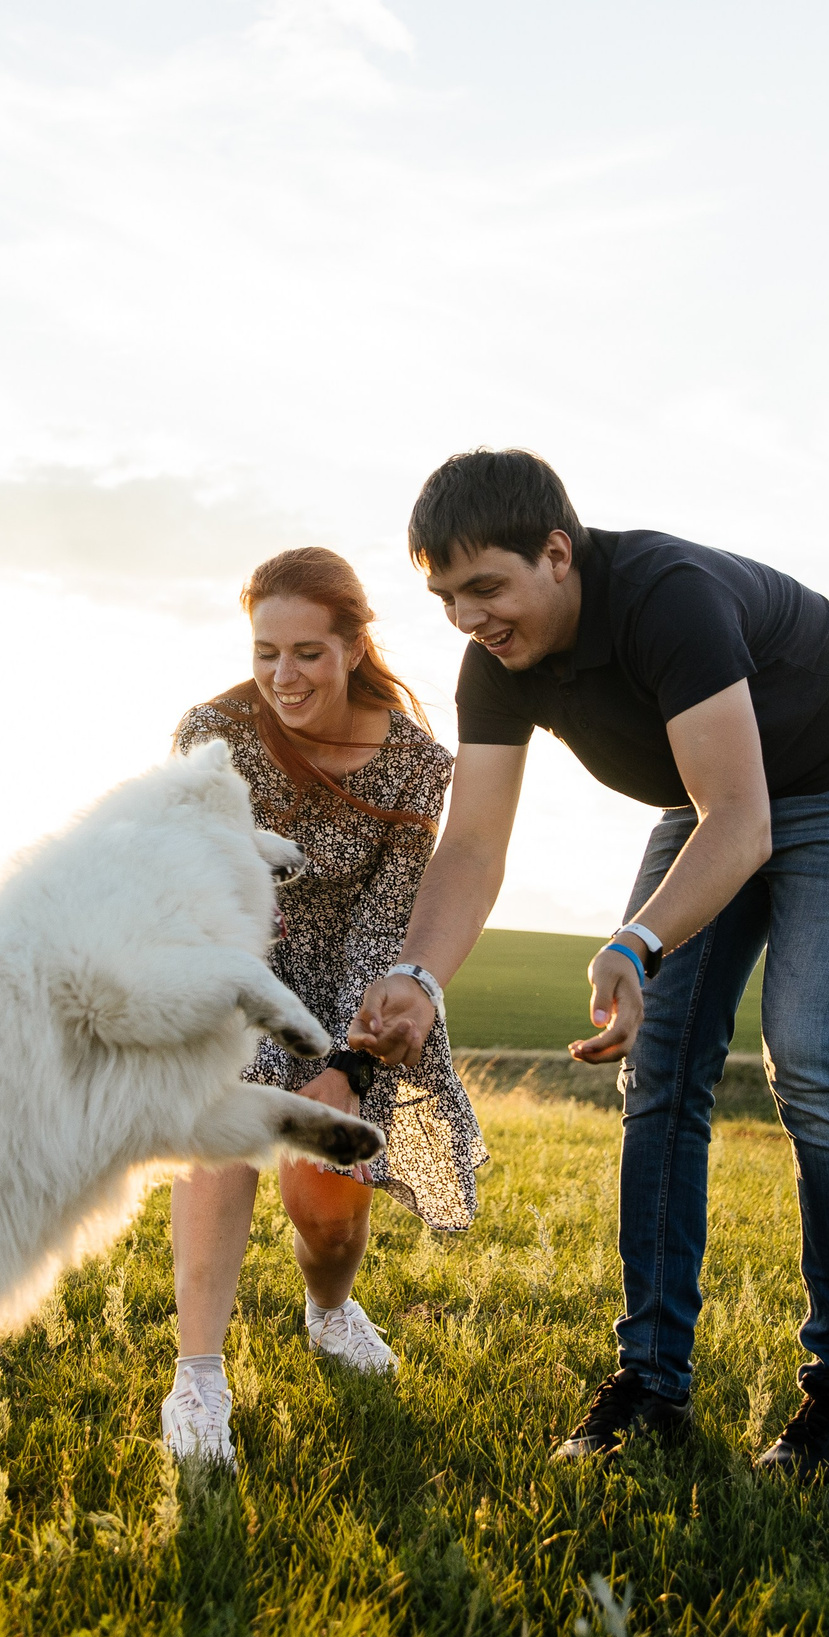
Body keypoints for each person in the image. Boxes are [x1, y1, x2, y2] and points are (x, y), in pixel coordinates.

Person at [348, 449, 829, 1478]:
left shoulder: (669, 600)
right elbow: (473, 845)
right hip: (709, 807)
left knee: (807, 1055)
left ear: (557, 555)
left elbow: (743, 821)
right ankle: (650, 1384)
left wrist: (634, 942)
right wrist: (418, 978)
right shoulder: (496, 666)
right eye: (445, 598)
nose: (469, 618)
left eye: (487, 587)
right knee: (656, 1070)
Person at [159, 546, 487, 1466]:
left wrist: (345, 1062)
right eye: (267, 651)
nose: (283, 674)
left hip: (356, 975)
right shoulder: (210, 735)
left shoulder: (415, 760)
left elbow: (388, 920)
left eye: (307, 652)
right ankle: (197, 1379)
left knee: (326, 1207)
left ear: (352, 644)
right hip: (237, 955)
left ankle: (330, 1310)